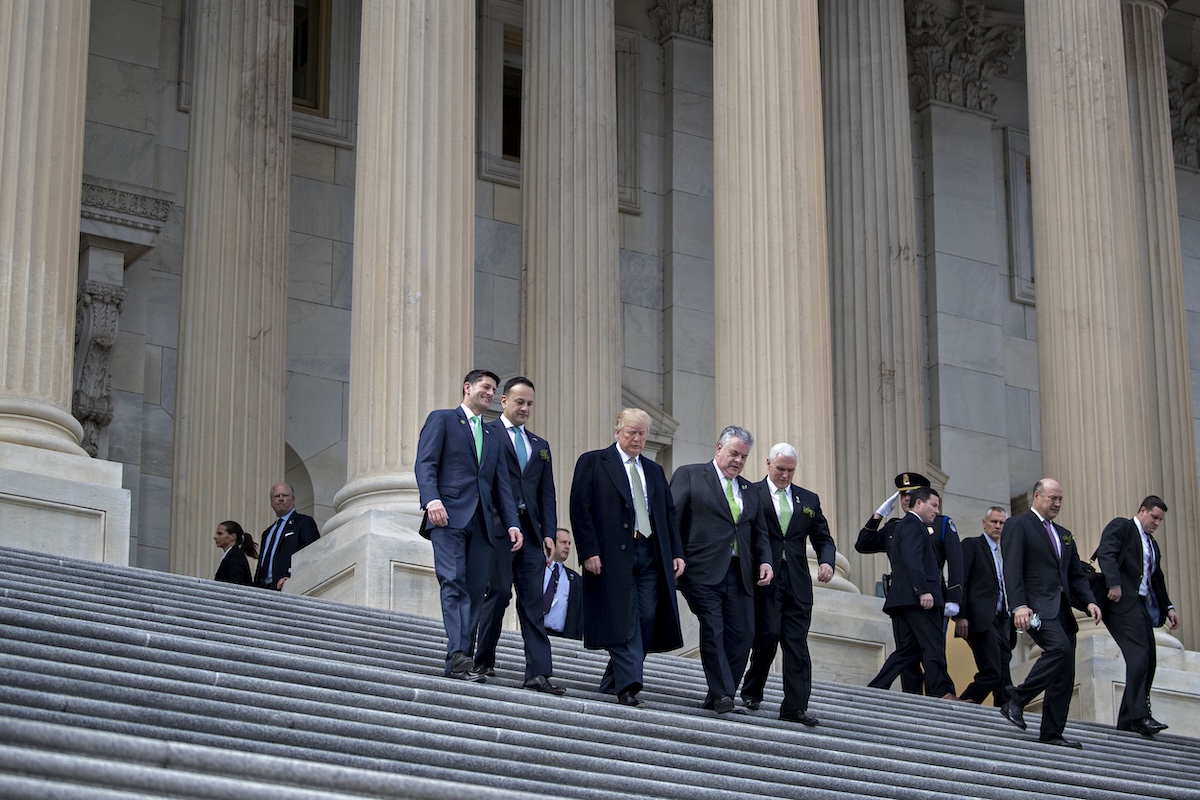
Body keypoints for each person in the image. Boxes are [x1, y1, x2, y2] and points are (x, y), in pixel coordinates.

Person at [569, 408, 686, 708]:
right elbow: (580, 510)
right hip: (610, 555)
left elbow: (668, 516)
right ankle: (628, 684)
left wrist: (676, 553)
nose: (637, 438)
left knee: (647, 615)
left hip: (649, 552)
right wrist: (588, 551)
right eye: (631, 432)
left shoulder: (654, 470)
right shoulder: (593, 462)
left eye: (642, 433)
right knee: (623, 618)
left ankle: (614, 680)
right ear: (617, 431)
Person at [415, 369, 522, 681]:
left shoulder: (492, 435)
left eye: (493, 390)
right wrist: (431, 500)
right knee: (453, 581)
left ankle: (461, 657)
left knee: (476, 591)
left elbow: (502, 486)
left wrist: (513, 524)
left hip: (484, 523)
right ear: (468, 387)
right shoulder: (443, 419)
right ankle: (459, 653)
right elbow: (426, 462)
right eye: (485, 387)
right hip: (447, 516)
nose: (489, 393)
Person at [671, 426, 774, 715]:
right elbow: (671, 519)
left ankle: (719, 694)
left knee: (744, 635)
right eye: (733, 453)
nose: (738, 461)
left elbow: (759, 534)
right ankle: (723, 695)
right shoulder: (690, 474)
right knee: (713, 629)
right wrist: (674, 555)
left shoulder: (750, 491)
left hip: (740, 574)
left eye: (743, 456)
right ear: (718, 448)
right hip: (701, 571)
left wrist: (765, 561)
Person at [472, 376, 564, 694]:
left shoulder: (540, 446)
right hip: (497, 529)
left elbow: (547, 494)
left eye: (529, 404)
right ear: (504, 401)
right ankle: (482, 659)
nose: (525, 408)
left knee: (533, 602)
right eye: (520, 402)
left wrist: (549, 532)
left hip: (532, 533)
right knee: (497, 593)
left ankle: (538, 672)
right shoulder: (488, 433)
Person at [999, 478, 1102, 749]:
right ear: (1036, 496)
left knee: (1065, 672)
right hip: (1034, 608)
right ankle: (1016, 699)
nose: (1057, 503)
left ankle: (1053, 732)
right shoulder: (1018, 524)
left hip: (1062, 611)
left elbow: (1076, 576)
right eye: (1052, 498)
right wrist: (1018, 605)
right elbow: (1012, 568)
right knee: (1059, 649)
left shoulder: (1064, 533)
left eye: (1060, 499)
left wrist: (1089, 602)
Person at [740, 443, 836, 726]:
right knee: (767, 636)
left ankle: (795, 706)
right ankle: (752, 689)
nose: (784, 475)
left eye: (790, 471)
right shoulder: (751, 492)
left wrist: (827, 561)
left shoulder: (808, 499)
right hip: (764, 577)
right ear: (768, 463)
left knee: (796, 643)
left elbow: (823, 538)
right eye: (780, 469)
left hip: (797, 581)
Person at [856, 471, 963, 695]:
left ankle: (937, 693)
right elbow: (863, 544)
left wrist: (954, 598)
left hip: (930, 596)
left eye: (911, 494)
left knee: (923, 648)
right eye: (902, 495)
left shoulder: (941, 523)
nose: (906, 499)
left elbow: (955, 562)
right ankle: (915, 696)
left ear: (919, 499)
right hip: (910, 596)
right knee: (914, 651)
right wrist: (879, 515)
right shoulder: (896, 526)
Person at [1094, 495, 1180, 736]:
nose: (1156, 523)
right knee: (1139, 655)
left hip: (1141, 605)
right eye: (1154, 517)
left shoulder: (1152, 544)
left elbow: (1157, 579)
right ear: (1142, 511)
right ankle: (1140, 716)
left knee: (1148, 658)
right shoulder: (1123, 526)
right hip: (1121, 602)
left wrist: (1169, 607)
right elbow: (1106, 553)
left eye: (1160, 520)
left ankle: (1127, 720)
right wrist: (1114, 583)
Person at [954, 507, 1015, 706]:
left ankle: (1005, 712)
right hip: (979, 618)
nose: (998, 526)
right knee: (992, 671)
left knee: (1004, 674)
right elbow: (959, 579)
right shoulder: (972, 545)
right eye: (994, 522)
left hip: (1003, 620)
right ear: (984, 523)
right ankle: (962, 705)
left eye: (1002, 523)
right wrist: (960, 615)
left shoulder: (1005, 553)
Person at [254, 483, 320, 591]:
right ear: (271, 502)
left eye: (284, 495)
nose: (280, 499)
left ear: (293, 500)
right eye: (276, 496)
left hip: (287, 587)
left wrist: (292, 577)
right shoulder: (267, 533)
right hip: (263, 590)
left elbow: (313, 553)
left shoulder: (304, 522)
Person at [544, 527, 583, 640]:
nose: (567, 546)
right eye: (563, 542)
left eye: (569, 543)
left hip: (563, 639)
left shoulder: (575, 580)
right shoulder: (536, 571)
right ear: (551, 542)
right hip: (536, 633)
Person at [213, 520, 257, 585]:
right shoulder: (232, 556)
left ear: (233, 536)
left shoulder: (235, 558)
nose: (215, 537)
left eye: (220, 534)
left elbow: (235, 585)